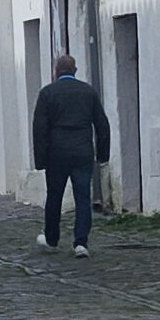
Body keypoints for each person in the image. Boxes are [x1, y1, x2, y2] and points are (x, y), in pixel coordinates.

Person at [30, 52, 110, 256]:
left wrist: (40, 160)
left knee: (54, 196)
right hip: (83, 150)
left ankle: (52, 238)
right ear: (75, 71)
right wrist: (103, 154)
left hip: (57, 152)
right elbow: (102, 125)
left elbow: (39, 128)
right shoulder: (88, 92)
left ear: (56, 72)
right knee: (83, 197)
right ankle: (81, 242)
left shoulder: (47, 93)